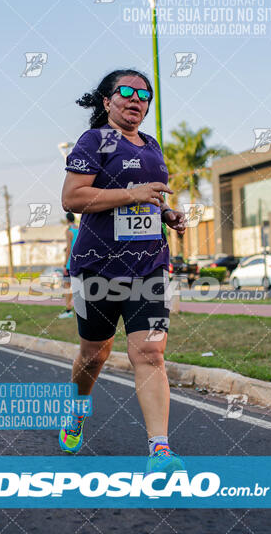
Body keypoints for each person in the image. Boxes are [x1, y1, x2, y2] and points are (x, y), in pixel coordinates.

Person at [58, 69, 186, 473]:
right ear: (106, 100)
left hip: (148, 266)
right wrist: (131, 193)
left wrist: (166, 213)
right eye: (126, 92)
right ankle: (76, 410)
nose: (136, 99)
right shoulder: (95, 140)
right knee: (94, 354)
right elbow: (72, 198)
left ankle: (160, 451)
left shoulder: (151, 145)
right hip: (98, 266)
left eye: (144, 94)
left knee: (149, 352)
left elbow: (146, 201)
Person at [58, 212, 79, 319]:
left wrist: (65, 265)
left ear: (67, 220)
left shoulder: (69, 231)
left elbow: (69, 249)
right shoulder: (80, 229)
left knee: (67, 286)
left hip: (70, 263)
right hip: (79, 262)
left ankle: (68, 310)